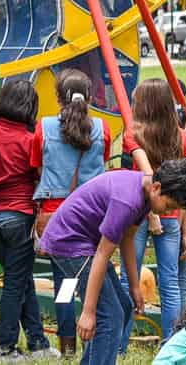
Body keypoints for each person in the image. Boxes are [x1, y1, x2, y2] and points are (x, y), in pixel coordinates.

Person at [40, 159, 186, 365]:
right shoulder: (127, 201)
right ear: (157, 188)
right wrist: (88, 311)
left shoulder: (146, 193)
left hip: (88, 244)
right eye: (168, 206)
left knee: (124, 308)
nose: (166, 212)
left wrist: (135, 287)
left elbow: (127, 237)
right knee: (109, 317)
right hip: (70, 242)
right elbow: (102, 254)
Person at [33, 69, 112, 355]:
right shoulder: (102, 128)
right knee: (94, 274)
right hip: (93, 214)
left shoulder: (44, 127)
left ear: (57, 98)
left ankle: (68, 343)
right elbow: (102, 166)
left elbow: (38, 167)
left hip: (55, 214)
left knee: (63, 280)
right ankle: (98, 332)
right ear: (90, 97)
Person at [0, 77, 54, 359]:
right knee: (15, 282)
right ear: (30, 107)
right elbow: (40, 178)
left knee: (21, 279)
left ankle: (38, 343)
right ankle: (5, 348)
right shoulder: (29, 139)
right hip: (18, 216)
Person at [124, 78, 186, 345]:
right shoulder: (180, 135)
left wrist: (151, 214)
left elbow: (143, 174)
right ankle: (171, 343)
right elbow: (185, 182)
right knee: (170, 281)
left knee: (129, 275)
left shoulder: (133, 134)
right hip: (171, 213)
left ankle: (120, 342)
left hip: (138, 212)